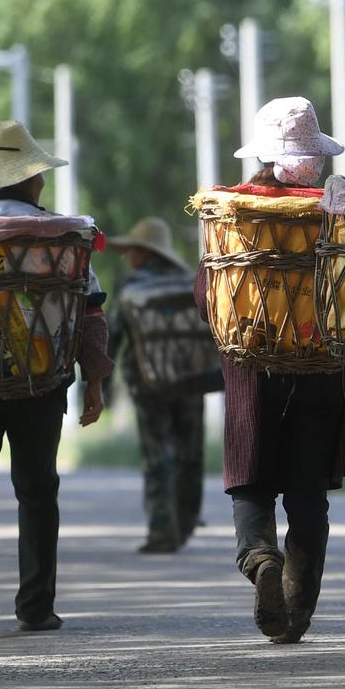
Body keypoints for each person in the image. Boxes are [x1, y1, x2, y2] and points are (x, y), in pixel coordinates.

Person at [0, 120, 112, 640]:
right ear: (34, 183)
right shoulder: (62, 233)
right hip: (40, 379)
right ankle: (36, 606)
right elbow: (91, 312)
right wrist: (93, 380)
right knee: (37, 489)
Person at [207, 98, 345, 644]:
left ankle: (260, 558)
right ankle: (296, 606)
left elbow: (213, 291)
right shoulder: (336, 211)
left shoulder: (232, 211)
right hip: (321, 363)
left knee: (251, 476)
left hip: (251, 361)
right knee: (307, 490)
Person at [108, 215, 211, 554]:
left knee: (157, 454)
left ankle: (162, 529)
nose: (128, 257)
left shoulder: (130, 287)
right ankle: (186, 520)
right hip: (191, 379)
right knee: (189, 451)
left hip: (147, 382)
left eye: (132, 251)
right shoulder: (190, 282)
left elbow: (113, 338)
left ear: (142, 253)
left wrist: (101, 383)